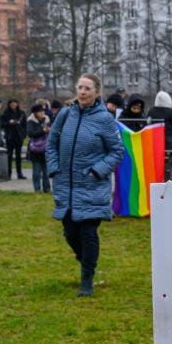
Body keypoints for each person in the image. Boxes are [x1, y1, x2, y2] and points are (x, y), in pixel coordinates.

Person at [46, 74, 125, 297]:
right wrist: (54, 169)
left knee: (88, 232)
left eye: (87, 88)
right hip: (66, 185)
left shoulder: (105, 119)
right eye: (80, 87)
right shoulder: (65, 114)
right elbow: (51, 144)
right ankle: (86, 261)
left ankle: (86, 278)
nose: (82, 92)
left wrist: (96, 170)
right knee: (70, 232)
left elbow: (117, 152)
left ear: (96, 92)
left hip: (91, 184)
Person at [26, 104, 52, 193]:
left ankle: (47, 189)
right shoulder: (31, 121)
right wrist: (43, 131)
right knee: (36, 172)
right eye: (40, 111)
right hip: (35, 150)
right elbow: (30, 133)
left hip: (46, 149)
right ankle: (37, 189)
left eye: (43, 111)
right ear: (35, 113)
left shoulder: (47, 120)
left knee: (46, 171)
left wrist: (50, 130)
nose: (42, 113)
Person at [1, 99, 27, 180]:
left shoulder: (21, 113)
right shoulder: (5, 114)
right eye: (11, 104)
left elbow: (25, 125)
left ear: (17, 104)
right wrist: (9, 123)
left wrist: (24, 134)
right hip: (10, 136)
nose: (13, 106)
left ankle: (19, 173)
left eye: (14, 104)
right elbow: (2, 124)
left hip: (19, 136)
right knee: (9, 156)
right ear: (9, 105)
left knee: (18, 156)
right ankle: (9, 173)